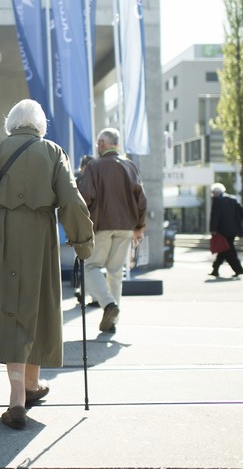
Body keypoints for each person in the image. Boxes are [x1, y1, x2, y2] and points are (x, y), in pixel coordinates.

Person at [0, 99, 93, 430]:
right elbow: (72, 200)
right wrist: (82, 244)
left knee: (8, 311)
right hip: (39, 239)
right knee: (35, 308)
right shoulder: (53, 152)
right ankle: (25, 391)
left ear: (11, 123)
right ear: (40, 124)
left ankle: (24, 392)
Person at [77, 127, 147, 333]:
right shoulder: (130, 165)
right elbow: (141, 198)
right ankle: (112, 322)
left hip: (102, 225)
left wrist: (81, 224)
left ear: (101, 144)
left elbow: (84, 197)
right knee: (116, 272)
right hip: (126, 227)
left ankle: (108, 305)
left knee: (90, 267)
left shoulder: (94, 166)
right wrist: (140, 226)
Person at [209, 183, 243, 278]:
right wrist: (237, 222)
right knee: (224, 249)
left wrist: (213, 229)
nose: (212, 194)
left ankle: (238, 269)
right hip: (233, 230)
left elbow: (215, 216)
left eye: (213, 193)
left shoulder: (217, 200)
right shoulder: (233, 199)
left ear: (217, 192)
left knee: (228, 250)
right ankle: (215, 269)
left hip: (222, 231)